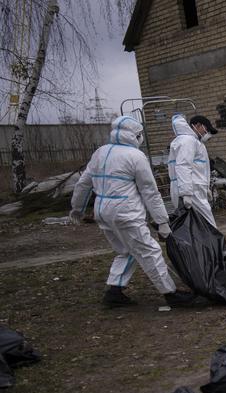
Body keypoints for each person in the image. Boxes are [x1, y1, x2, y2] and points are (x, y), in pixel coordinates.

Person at [69, 116, 198, 308]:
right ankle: (171, 294)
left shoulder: (100, 153)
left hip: (103, 212)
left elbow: (84, 184)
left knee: (126, 251)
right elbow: (150, 192)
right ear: (135, 135)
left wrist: (77, 209)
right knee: (150, 251)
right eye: (140, 135)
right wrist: (162, 221)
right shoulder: (135, 156)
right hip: (126, 212)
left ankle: (114, 292)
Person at [168, 114, 218, 227]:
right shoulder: (188, 141)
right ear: (197, 125)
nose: (207, 133)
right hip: (191, 189)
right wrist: (186, 193)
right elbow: (183, 166)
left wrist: (206, 188)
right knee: (208, 224)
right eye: (206, 129)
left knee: (193, 225)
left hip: (192, 188)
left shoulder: (193, 142)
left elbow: (200, 168)